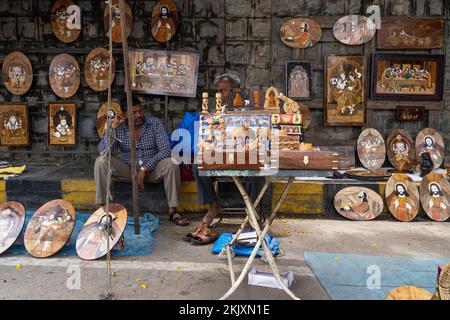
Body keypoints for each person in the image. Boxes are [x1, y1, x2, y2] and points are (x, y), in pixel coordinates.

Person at [185, 74, 265, 245]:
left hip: (243, 155)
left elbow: (256, 138)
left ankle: (251, 210)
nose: (220, 94)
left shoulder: (248, 109)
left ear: (235, 90)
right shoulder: (215, 113)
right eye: (218, 91)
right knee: (198, 164)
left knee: (258, 166)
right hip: (222, 155)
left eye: (224, 90)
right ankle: (213, 205)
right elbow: (209, 139)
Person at [94, 96, 189, 226]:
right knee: (101, 162)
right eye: (134, 112)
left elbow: (166, 150)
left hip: (152, 171)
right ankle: (103, 211)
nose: (139, 115)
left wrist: (145, 168)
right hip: (128, 170)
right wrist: (113, 128)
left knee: (172, 163)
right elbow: (103, 151)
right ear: (125, 115)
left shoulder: (154, 123)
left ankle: (173, 211)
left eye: (140, 111)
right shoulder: (119, 127)